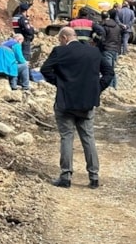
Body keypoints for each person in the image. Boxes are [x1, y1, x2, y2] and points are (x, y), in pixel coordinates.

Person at [40, 27, 114, 189]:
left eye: (60, 39)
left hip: (65, 102)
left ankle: (65, 177)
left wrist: (60, 84)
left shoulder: (60, 52)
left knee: (67, 137)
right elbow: (109, 72)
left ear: (65, 37)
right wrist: (97, 88)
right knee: (88, 138)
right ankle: (94, 177)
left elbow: (45, 69)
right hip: (87, 102)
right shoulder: (93, 52)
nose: (60, 42)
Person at [99, 10, 122, 88]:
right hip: (115, 49)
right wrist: (119, 50)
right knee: (112, 69)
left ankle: (109, 87)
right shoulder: (116, 26)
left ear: (102, 17)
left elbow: (102, 39)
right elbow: (119, 39)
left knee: (107, 70)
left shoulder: (103, 27)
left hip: (106, 49)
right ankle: (114, 86)